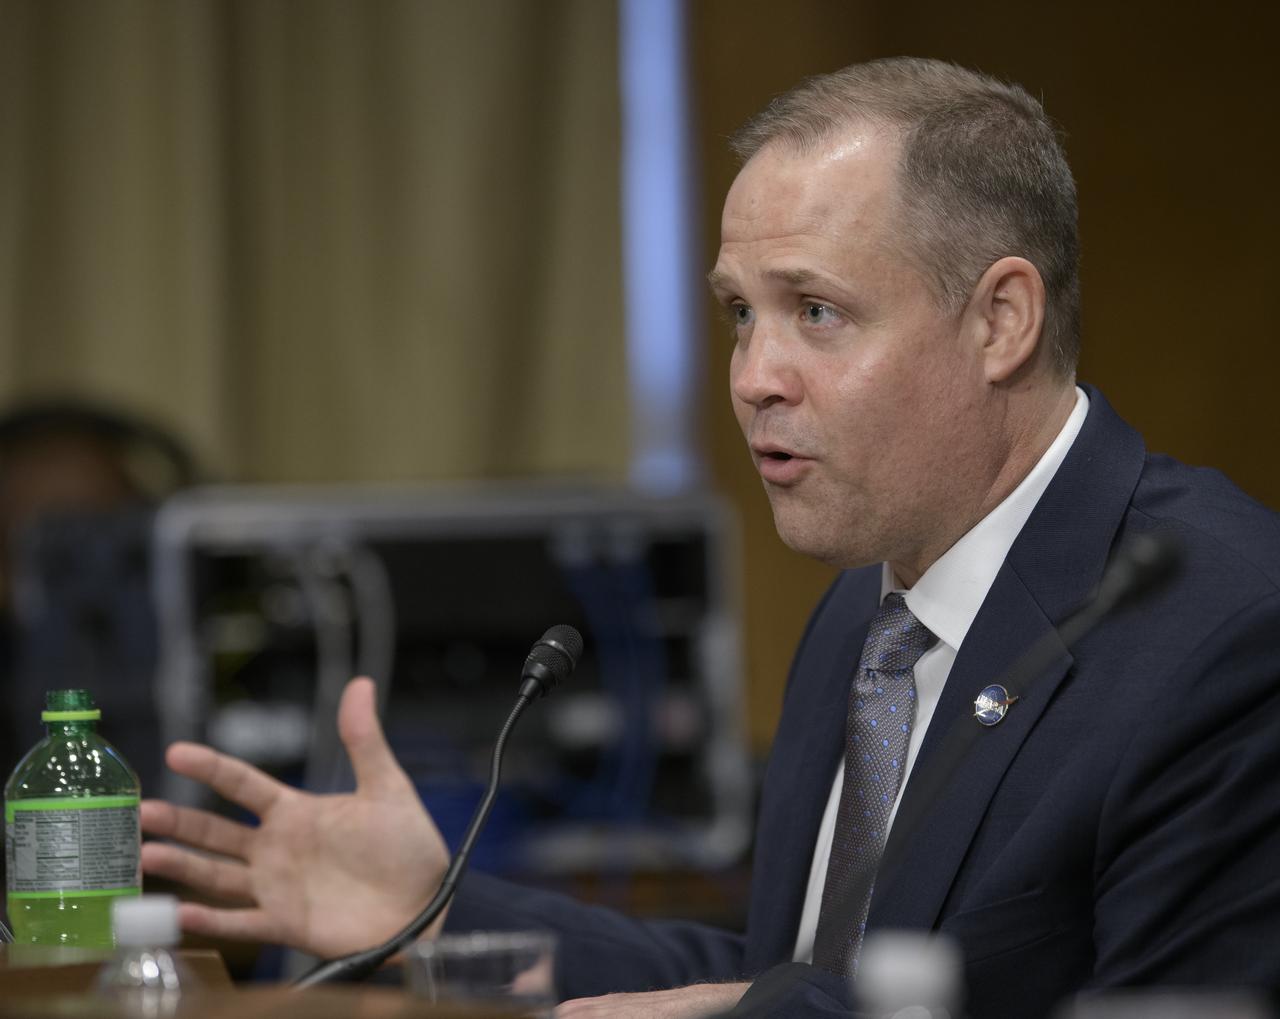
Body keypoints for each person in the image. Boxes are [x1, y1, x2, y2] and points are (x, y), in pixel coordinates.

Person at [138, 58, 1280, 1018]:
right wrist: (434, 907)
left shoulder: (1224, 632)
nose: (753, 379)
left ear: (1000, 319)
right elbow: (776, 980)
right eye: (740, 312)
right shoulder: (867, 615)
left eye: (814, 312)